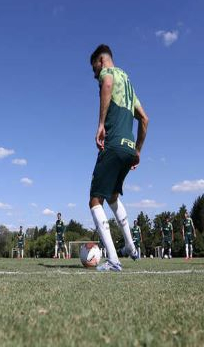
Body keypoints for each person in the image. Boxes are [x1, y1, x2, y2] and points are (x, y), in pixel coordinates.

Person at [88, 44, 149, 272]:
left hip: (113, 144)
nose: (95, 73)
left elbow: (106, 83)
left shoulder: (108, 74)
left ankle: (113, 260)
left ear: (101, 61)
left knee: (95, 200)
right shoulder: (129, 84)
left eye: (94, 68)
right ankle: (132, 248)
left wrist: (101, 124)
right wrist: (138, 151)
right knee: (113, 196)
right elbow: (145, 119)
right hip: (129, 147)